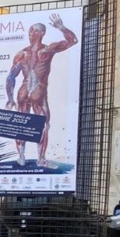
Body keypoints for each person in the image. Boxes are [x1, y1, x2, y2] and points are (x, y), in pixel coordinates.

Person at [6, 13, 78, 168]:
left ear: (42, 33)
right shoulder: (45, 51)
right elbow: (72, 40)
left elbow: (11, 77)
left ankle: (22, 157)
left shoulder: (24, 53)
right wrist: (61, 27)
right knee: (42, 125)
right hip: (37, 90)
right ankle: (38, 159)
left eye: (35, 31)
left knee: (24, 125)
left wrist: (11, 98)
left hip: (24, 91)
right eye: (31, 30)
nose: (32, 33)